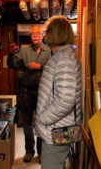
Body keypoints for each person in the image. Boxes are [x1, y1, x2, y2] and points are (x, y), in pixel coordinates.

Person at [35, 16, 82, 169]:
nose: (45, 35)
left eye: (47, 31)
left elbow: (66, 100)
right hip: (58, 128)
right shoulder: (62, 55)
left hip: (57, 130)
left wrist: (43, 118)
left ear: (55, 33)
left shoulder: (63, 58)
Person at [7, 25, 51, 163]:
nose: (34, 35)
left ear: (42, 35)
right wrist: (11, 54)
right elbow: (13, 65)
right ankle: (29, 151)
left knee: (42, 124)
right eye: (32, 33)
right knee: (27, 124)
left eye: (37, 33)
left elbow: (55, 69)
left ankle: (41, 153)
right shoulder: (24, 52)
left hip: (44, 92)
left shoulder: (49, 51)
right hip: (26, 92)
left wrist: (40, 67)